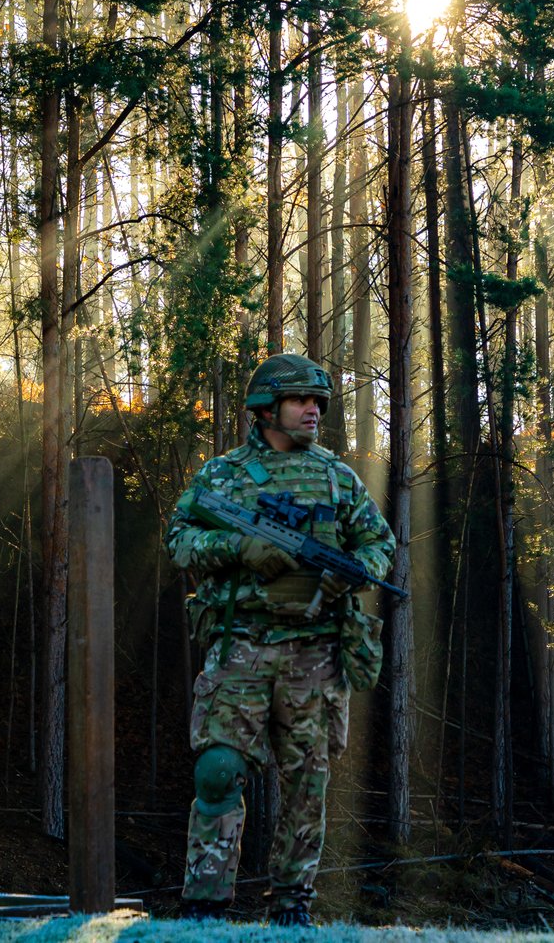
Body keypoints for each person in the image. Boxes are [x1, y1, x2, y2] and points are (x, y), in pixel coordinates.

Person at [166, 353, 395, 927]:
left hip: (314, 652)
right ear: (266, 408)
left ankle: (292, 905)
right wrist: (238, 549)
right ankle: (205, 905)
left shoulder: (337, 477)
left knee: (305, 783)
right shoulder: (222, 476)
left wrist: (353, 569)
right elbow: (179, 539)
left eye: (319, 401)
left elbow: (379, 544)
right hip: (239, 643)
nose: (314, 410)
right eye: (301, 401)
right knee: (217, 770)